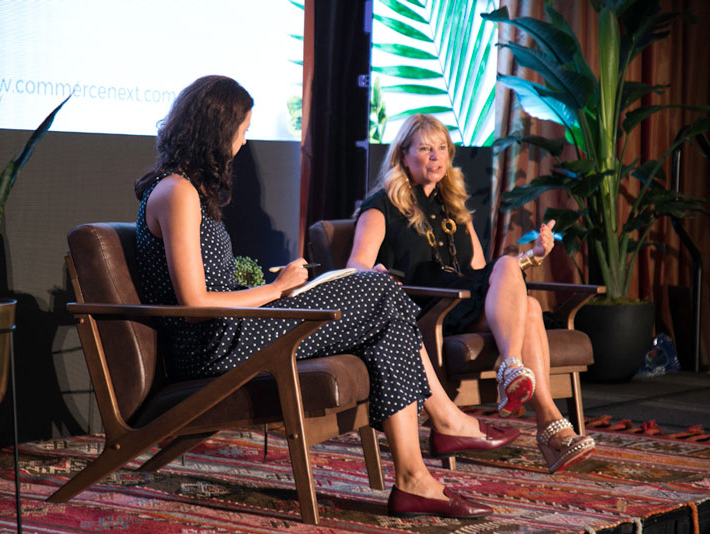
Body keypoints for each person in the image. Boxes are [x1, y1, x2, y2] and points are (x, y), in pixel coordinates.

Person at [134, 76, 520, 519]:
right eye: (242, 130)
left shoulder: (185, 190)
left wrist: (281, 289)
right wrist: (276, 289)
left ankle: (416, 477)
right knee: (379, 289)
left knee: (384, 310)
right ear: (216, 131)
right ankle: (441, 433)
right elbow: (194, 304)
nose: (243, 141)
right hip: (213, 346)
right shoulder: (177, 192)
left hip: (234, 331)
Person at [347, 114, 595, 474]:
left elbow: (480, 271)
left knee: (524, 300)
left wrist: (534, 256)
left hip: (466, 303)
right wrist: (375, 272)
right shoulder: (381, 206)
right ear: (403, 155)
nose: (437, 157)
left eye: (442, 148)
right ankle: (546, 420)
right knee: (522, 298)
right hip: (427, 311)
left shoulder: (454, 209)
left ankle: (536, 406)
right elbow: (356, 264)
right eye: (426, 149)